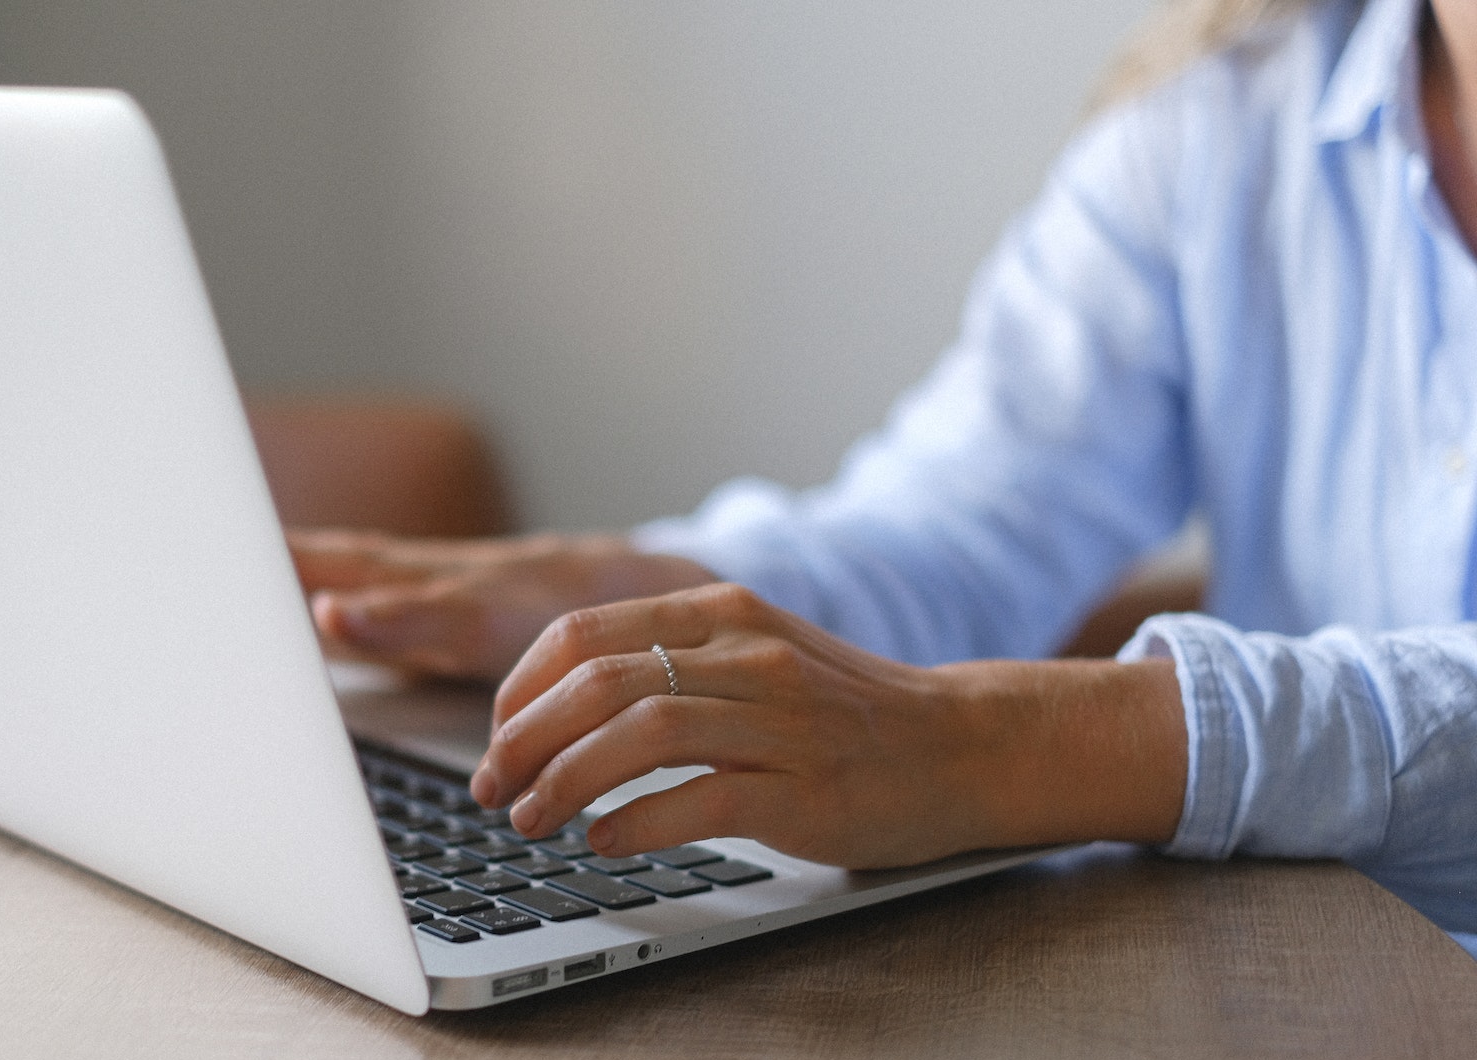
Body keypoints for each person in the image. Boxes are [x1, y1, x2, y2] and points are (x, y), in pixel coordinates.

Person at [292, 0, 1477, 957]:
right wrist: (645, 592)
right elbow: (967, 524)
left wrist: (1001, 749)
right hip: (1306, 1006)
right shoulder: (1224, 122)